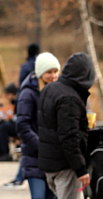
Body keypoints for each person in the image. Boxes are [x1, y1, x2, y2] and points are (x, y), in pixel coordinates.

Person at [38, 52, 95, 199]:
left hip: (49, 164)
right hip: (65, 166)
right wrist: (80, 169)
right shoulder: (69, 98)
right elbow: (69, 136)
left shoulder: (49, 89)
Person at [16, 52, 60, 198]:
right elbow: (22, 125)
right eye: (49, 72)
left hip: (53, 159)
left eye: (55, 72)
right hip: (35, 158)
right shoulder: (28, 93)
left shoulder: (57, 92)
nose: (53, 76)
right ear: (40, 72)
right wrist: (41, 146)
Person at [0, 83, 18, 162]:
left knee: (3, 127)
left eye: (7, 94)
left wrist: (4, 121)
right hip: (15, 123)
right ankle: (0, 152)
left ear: (12, 94)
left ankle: (5, 153)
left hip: (19, 125)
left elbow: (16, 117)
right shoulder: (13, 102)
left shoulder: (18, 101)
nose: (5, 97)